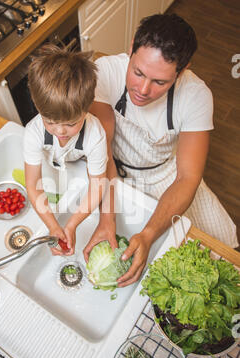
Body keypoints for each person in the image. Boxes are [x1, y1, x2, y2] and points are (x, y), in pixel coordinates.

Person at [84, 13, 238, 286]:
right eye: (138, 72)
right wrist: (106, 219)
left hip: (168, 176)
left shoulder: (196, 96)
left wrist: (148, 234)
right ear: (131, 47)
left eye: (160, 82)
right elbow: (102, 150)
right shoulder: (105, 72)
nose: (142, 90)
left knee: (220, 254)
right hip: (112, 171)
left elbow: (187, 178)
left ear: (183, 69)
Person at [24, 44, 108, 256]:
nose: (60, 131)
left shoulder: (95, 134)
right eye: (50, 122)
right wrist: (53, 226)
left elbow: (97, 186)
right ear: (37, 106)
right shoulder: (33, 132)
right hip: (51, 166)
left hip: (79, 169)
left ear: (87, 108)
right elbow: (33, 186)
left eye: (71, 124)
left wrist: (71, 224)